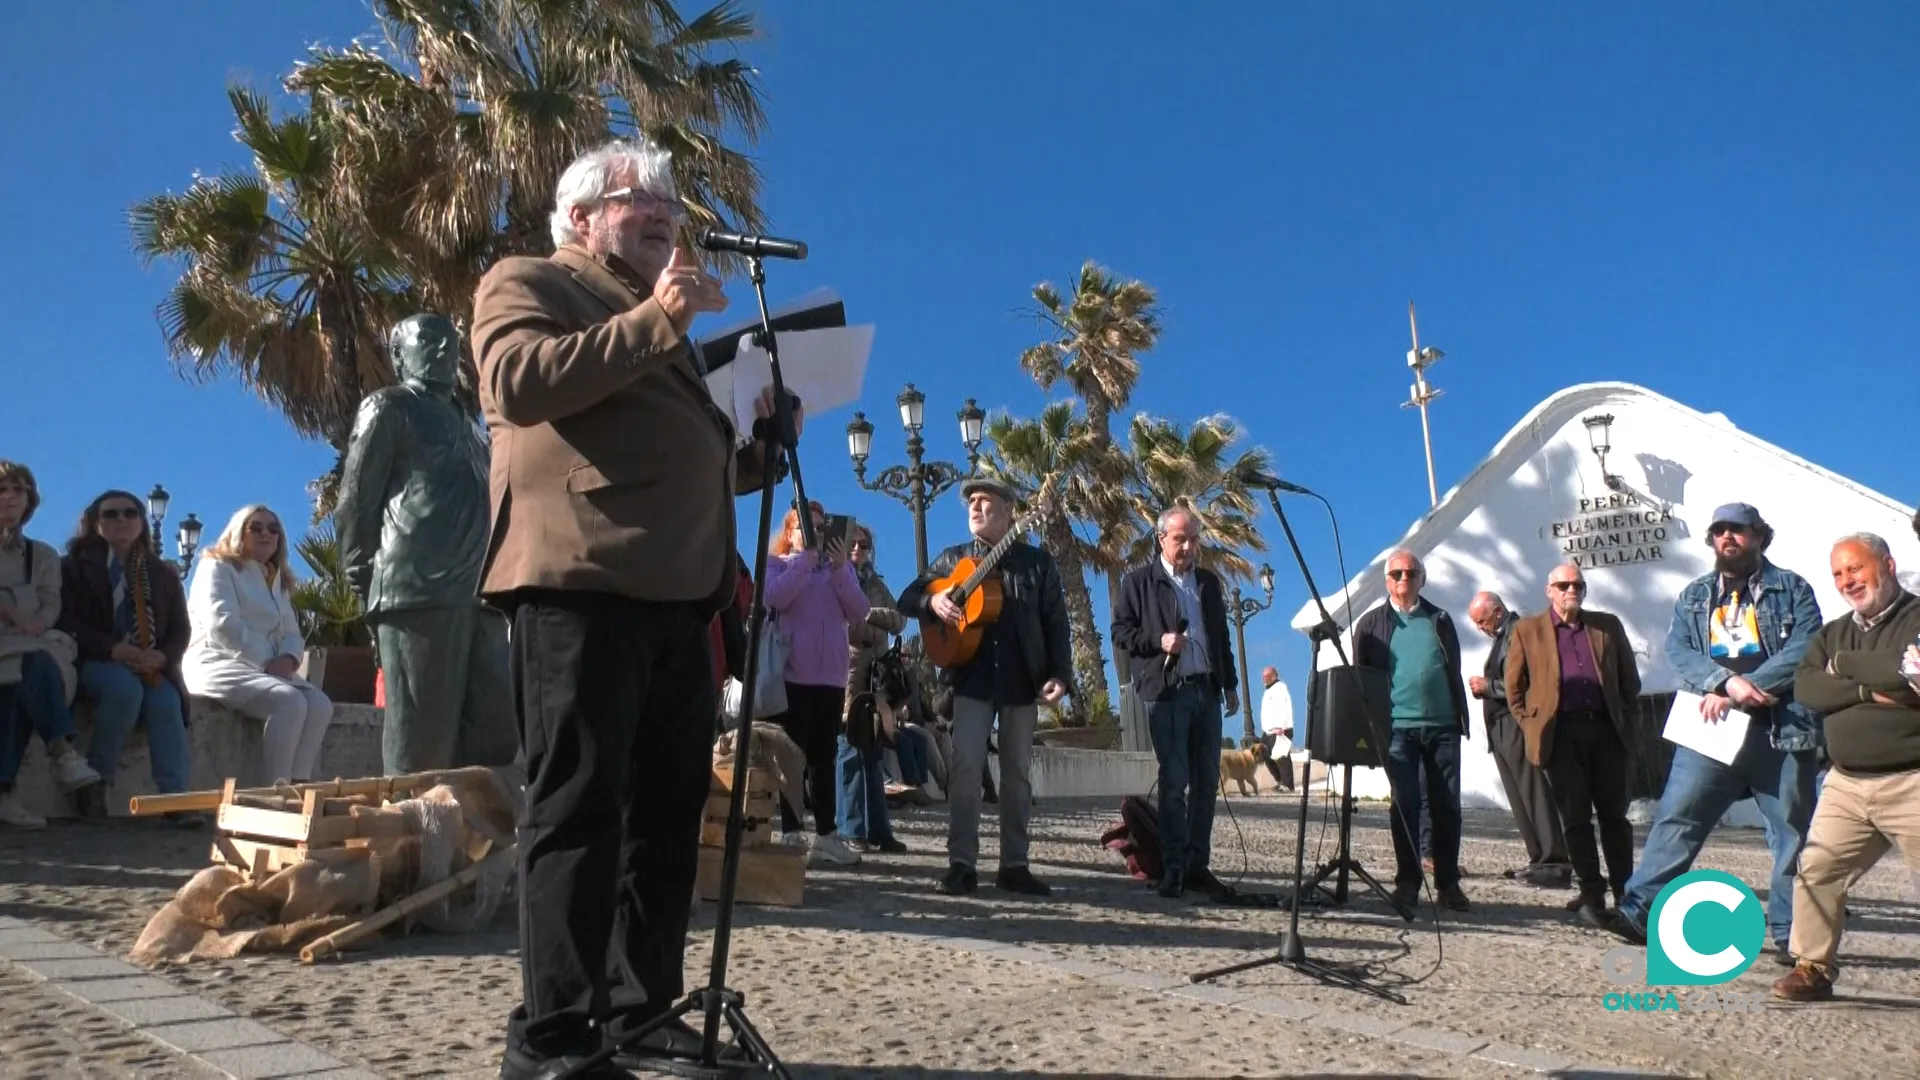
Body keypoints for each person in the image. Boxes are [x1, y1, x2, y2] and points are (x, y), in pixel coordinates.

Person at [470, 136, 794, 1076]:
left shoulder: (664, 325)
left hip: (678, 603)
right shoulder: (530, 281)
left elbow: (690, 459)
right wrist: (659, 321)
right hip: (578, 585)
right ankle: (553, 1039)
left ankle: (637, 1012)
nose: (663, 211)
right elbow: (520, 385)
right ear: (581, 217)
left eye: (669, 202)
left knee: (665, 816)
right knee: (577, 810)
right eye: (635, 198)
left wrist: (763, 449)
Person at [1607, 504, 1822, 964]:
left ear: (1760, 537)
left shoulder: (1793, 589)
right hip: (1712, 725)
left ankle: (1792, 934)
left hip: (1780, 729)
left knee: (1790, 834)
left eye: (1738, 531)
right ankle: (1639, 909)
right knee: (1677, 816)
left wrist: (1751, 685)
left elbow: (1807, 646)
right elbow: (1679, 650)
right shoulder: (1695, 595)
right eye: (1719, 531)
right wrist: (1725, 683)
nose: (1728, 538)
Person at [336, 312, 517, 775]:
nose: (442, 349)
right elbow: (356, 503)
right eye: (428, 341)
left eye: (449, 342)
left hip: (481, 597)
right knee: (422, 746)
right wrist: (365, 589)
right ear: (398, 356)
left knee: (496, 732)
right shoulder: (389, 407)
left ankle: (465, 840)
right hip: (417, 591)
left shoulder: (473, 429)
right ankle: (412, 843)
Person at [900, 477, 1070, 898]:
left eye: (985, 501)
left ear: (1010, 509)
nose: (975, 508)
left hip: (1020, 680)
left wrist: (1060, 675)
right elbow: (909, 596)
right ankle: (961, 864)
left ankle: (1015, 864)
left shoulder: (1037, 563)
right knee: (964, 771)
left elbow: (1056, 623)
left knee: (1017, 776)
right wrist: (932, 602)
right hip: (970, 680)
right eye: (971, 502)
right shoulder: (952, 558)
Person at [1774, 533, 1920, 1003]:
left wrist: (1843, 665)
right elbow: (1807, 690)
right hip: (1847, 783)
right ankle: (1812, 968)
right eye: (1838, 573)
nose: (1846, 581)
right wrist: (1863, 690)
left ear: (1888, 564)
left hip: (1912, 779)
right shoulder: (1831, 631)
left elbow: (1910, 674)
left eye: (1855, 568)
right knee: (1817, 871)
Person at [1111, 507, 1242, 899]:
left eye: (1194, 539)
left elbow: (1219, 636)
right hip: (1167, 692)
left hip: (1206, 690)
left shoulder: (1207, 583)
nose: (1188, 546)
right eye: (1180, 539)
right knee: (1174, 781)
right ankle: (1173, 868)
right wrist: (1159, 641)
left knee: (1206, 782)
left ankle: (1198, 865)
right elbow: (1120, 632)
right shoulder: (1138, 582)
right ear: (1161, 539)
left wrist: (1230, 683)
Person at [1505, 561, 1642, 925]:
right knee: (1576, 818)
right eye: (1564, 585)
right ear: (1549, 590)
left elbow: (1631, 682)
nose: (1572, 591)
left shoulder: (1606, 626)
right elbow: (1514, 689)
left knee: (1614, 817)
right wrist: (1531, 723)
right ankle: (1592, 890)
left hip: (1606, 733)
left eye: (1578, 585)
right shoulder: (1527, 630)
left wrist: (1625, 720)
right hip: (1561, 736)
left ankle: (1625, 890)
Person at [59, 490, 193, 820]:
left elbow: (180, 628)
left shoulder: (161, 574)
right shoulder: (72, 567)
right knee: (124, 690)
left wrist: (162, 657)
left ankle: (173, 800)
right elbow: (65, 619)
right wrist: (113, 648)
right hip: (95, 660)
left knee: (165, 701)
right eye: (111, 514)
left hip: (150, 663)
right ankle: (95, 784)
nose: (122, 520)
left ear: (142, 522)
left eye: (130, 513)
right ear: (94, 522)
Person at [1353, 549, 1472, 912]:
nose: (1404, 579)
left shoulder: (1440, 619)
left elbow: (1452, 666)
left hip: (1443, 726)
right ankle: (1407, 882)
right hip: (1398, 729)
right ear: (1387, 581)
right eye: (1397, 574)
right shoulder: (1371, 624)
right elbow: (1364, 679)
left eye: (1411, 573)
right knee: (1404, 806)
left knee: (1447, 807)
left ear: (1422, 578)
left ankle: (1448, 884)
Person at [183, 505, 334, 785]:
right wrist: (266, 662)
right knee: (288, 702)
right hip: (216, 661)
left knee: (320, 704)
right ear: (239, 531)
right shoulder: (217, 566)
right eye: (256, 527)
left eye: (273, 529)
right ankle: (275, 793)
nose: (266, 534)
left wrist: (289, 658)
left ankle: (299, 782)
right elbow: (222, 625)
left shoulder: (277, 578)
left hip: (266, 669)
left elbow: (291, 630)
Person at [764, 501, 869, 866]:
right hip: (793, 676)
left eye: (821, 528)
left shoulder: (838, 571)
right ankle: (792, 831)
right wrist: (804, 561)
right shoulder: (778, 565)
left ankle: (826, 834)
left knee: (823, 760)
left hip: (830, 679)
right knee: (791, 758)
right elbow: (774, 597)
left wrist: (840, 570)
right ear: (790, 533)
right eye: (806, 528)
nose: (815, 534)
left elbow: (859, 611)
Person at [0, 461, 99, 829]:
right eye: (1, 490)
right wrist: (10, 611)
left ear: (30, 499)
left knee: (17, 683)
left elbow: (50, 601)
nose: (9, 497)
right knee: (29, 666)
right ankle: (63, 750)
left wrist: (37, 622)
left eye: (17, 490)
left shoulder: (39, 554)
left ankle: (4, 795)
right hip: (17, 644)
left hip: (28, 644)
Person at [1466, 590, 1570, 888]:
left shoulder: (1519, 632)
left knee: (1534, 792)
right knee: (1519, 795)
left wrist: (1489, 686)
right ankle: (1538, 859)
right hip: (1501, 728)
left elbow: (1527, 683)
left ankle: (1554, 861)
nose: (1481, 628)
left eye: (1482, 621)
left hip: (1516, 725)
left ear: (1498, 612)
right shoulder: (1503, 636)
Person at [838, 522, 908, 853]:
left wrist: (865, 613)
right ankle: (851, 829)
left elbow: (899, 620)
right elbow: (843, 621)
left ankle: (879, 830)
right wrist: (871, 618)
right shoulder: (836, 577)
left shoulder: (875, 583)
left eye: (864, 545)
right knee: (849, 749)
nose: (858, 549)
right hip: (848, 670)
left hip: (875, 672)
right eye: (852, 543)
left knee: (873, 751)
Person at [1257, 665, 1295, 792]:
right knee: (1264, 755)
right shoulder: (1268, 690)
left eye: (1266, 676)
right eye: (1263, 677)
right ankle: (1280, 781)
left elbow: (1285, 707)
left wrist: (1282, 727)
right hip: (1268, 731)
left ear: (1273, 676)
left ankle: (1288, 785)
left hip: (1279, 730)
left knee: (1282, 757)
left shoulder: (1280, 688)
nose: (1263, 679)